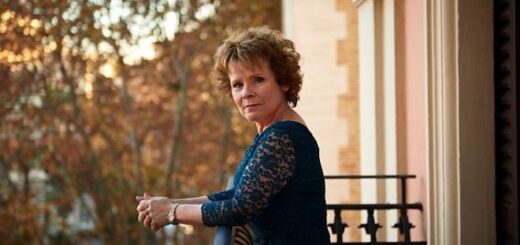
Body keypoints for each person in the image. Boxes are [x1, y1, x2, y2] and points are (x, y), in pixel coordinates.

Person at [136, 26, 331, 244]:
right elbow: (237, 194)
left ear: (283, 82)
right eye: (237, 84)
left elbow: (238, 209)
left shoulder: (282, 137)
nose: (246, 92)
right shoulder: (272, 132)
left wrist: (172, 212)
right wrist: (169, 203)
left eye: (258, 79)